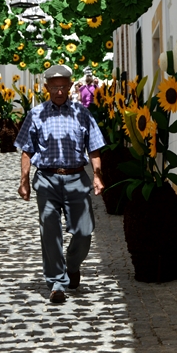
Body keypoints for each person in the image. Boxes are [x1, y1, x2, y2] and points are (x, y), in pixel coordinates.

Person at [14, 64, 106, 304]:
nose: (59, 91)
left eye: (63, 86)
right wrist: (24, 180)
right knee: (50, 231)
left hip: (77, 178)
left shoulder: (82, 113)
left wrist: (97, 175)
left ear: (69, 86)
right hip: (47, 179)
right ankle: (57, 282)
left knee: (85, 230)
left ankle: (72, 264)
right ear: (47, 88)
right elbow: (26, 150)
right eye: (54, 87)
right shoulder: (35, 114)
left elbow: (94, 147)